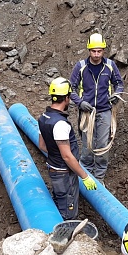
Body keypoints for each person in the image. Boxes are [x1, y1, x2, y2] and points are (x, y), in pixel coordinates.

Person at [37, 77, 97, 220]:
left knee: (59, 200)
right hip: (64, 174)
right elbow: (67, 156)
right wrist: (85, 176)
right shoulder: (60, 124)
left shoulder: (43, 118)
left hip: (53, 169)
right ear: (67, 98)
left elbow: (42, 145)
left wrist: (55, 155)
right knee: (68, 213)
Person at [69, 33, 124, 182]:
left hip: (105, 111)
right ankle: (85, 174)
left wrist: (116, 96)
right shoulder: (81, 67)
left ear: (103, 51)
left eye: (99, 51)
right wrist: (80, 102)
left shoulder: (110, 66)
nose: (96, 54)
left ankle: (99, 177)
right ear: (89, 50)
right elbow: (71, 88)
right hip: (87, 112)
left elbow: (119, 84)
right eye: (93, 51)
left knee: (102, 145)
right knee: (87, 144)